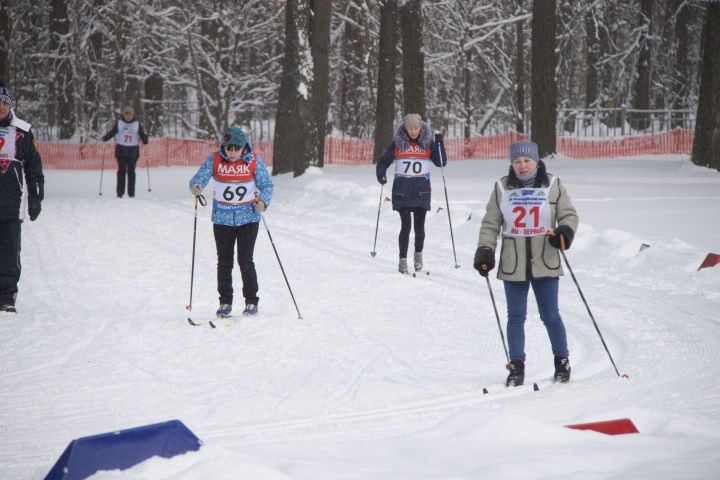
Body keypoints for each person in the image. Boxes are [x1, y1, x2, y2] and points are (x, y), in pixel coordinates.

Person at [473, 140, 578, 387]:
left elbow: (569, 214)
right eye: (517, 161)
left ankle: (561, 361)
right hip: (513, 262)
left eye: (527, 161)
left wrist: (565, 231)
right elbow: (490, 223)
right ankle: (516, 365)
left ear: (537, 161)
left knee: (550, 315)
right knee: (515, 316)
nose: (522, 166)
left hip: (545, 259)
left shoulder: (553, 184)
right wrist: (486, 250)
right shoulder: (501, 187)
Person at [189, 126, 273, 318]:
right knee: (224, 262)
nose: (233, 153)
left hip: (248, 219)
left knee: (245, 260)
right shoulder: (215, 159)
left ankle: (251, 301)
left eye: (236, 148)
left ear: (244, 147)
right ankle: (225, 302)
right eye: (229, 148)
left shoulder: (253, 160)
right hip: (222, 220)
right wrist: (196, 186)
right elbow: (198, 178)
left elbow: (266, 185)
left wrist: (263, 202)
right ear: (223, 147)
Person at [375, 113, 447, 274]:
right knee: (406, 226)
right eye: (409, 128)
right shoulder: (398, 144)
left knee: (419, 228)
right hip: (403, 191)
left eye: (416, 128)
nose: (413, 131)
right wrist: (381, 174)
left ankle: (418, 255)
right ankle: (402, 260)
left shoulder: (427, 143)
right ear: (405, 129)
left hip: (421, 191)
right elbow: (383, 161)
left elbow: (441, 162)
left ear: (420, 127)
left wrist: (439, 142)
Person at [0, 80, 44, 314]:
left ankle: (7, 297)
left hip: (11, 204)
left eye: (5, 103)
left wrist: (35, 198)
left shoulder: (23, 131)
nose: (1, 107)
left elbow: (34, 168)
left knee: (9, 252)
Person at [101, 105, 149, 198]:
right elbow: (112, 132)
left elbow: (142, 134)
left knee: (131, 172)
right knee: (121, 171)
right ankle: (120, 193)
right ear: (123, 114)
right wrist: (105, 138)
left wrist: (145, 140)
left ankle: (131, 194)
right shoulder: (119, 123)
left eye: (130, 114)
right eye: (126, 114)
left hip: (133, 151)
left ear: (133, 115)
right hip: (121, 151)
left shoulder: (137, 124)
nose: (128, 116)